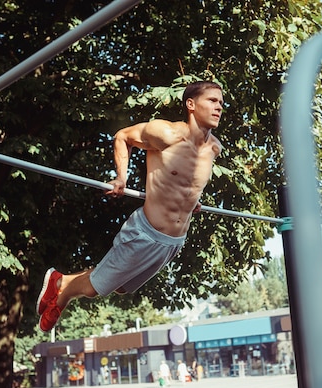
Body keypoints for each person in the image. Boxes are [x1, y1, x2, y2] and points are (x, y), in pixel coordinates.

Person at [36, 81, 224, 332]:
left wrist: (191, 201)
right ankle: (64, 292)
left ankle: (63, 281)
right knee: (94, 289)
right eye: (212, 100)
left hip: (173, 242)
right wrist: (121, 178)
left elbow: (187, 182)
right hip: (145, 233)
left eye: (221, 102)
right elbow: (123, 137)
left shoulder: (214, 148)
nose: (219, 107)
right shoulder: (166, 134)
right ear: (190, 104)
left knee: (122, 286)